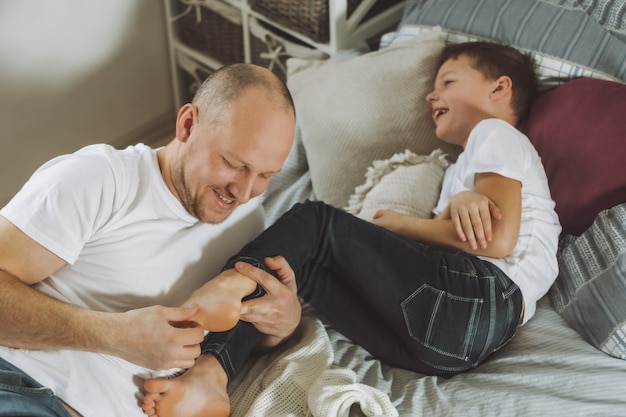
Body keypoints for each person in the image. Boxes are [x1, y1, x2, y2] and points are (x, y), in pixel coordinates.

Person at [141, 41, 561, 417]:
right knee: (294, 274)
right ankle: (212, 374)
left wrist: (406, 225)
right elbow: (468, 239)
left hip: (479, 299)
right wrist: (453, 207)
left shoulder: (494, 132)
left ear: (499, 88)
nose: (432, 95)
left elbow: (498, 240)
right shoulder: (463, 165)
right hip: (453, 346)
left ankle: (231, 281)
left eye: (448, 81)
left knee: (315, 222)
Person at [0, 63, 301, 417]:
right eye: (233, 163)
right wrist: (115, 335)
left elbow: (234, 336)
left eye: (265, 175)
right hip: (26, 388)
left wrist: (282, 326)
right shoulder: (100, 179)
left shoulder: (249, 222)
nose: (245, 192)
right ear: (188, 125)